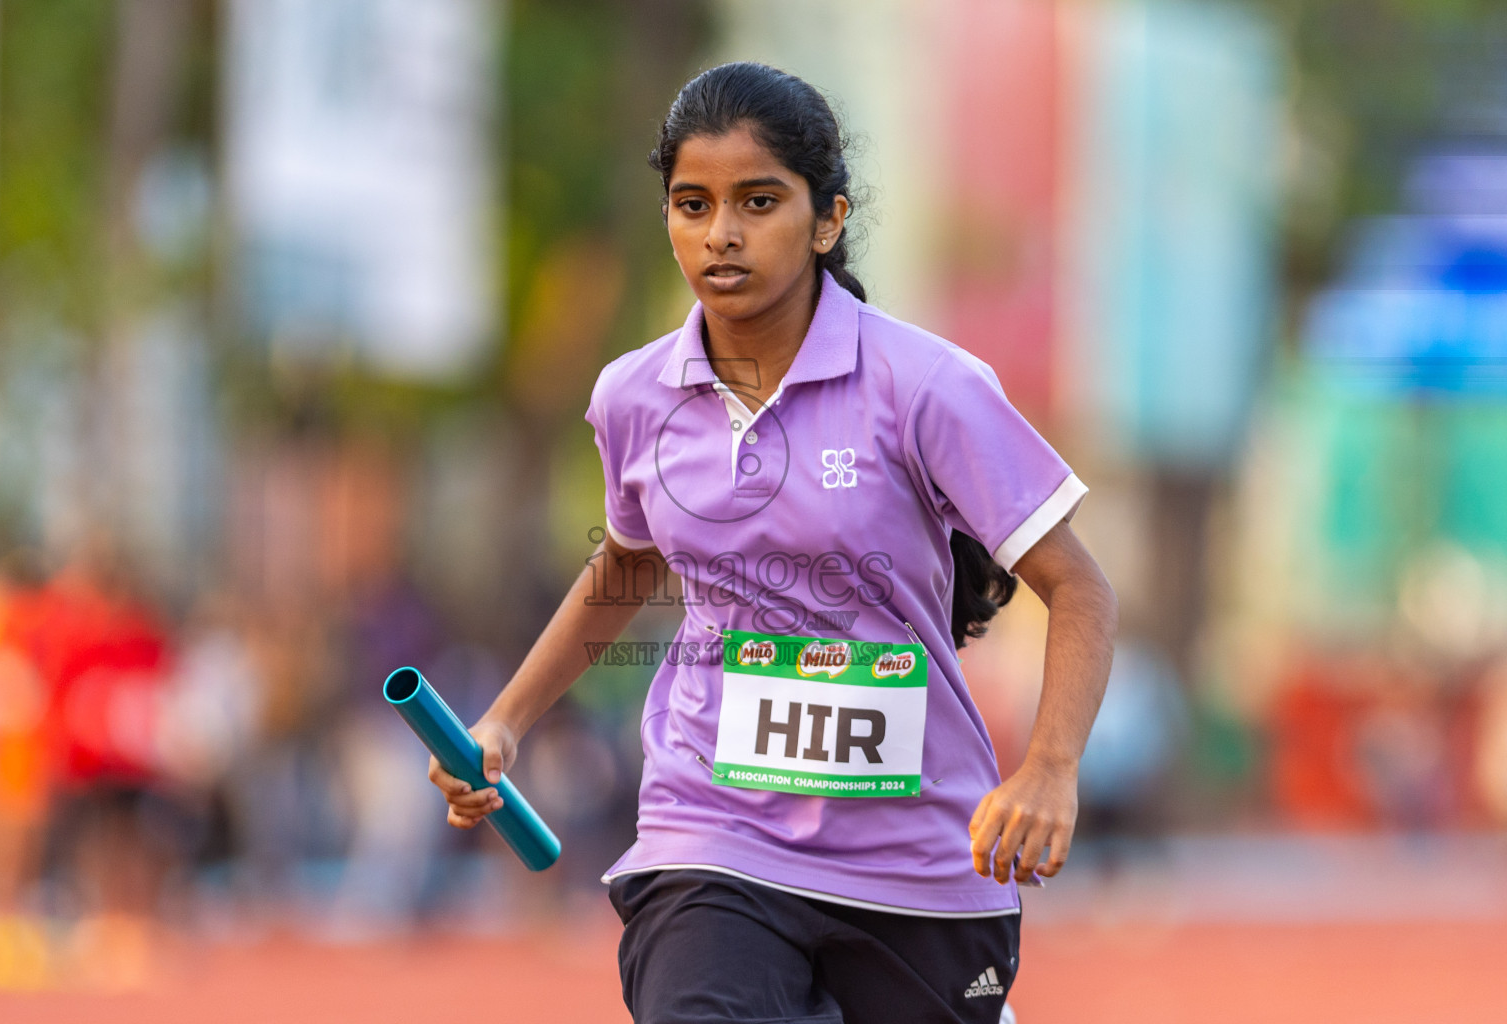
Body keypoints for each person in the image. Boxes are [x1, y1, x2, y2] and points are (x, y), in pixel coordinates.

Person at [429, 62, 1118, 1023]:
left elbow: (1079, 588)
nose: (721, 234)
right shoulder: (633, 395)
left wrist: (1050, 767)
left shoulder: (927, 386)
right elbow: (629, 561)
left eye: (759, 202)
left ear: (828, 219)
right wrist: (505, 720)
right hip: (714, 825)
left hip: (916, 855)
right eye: (692, 203)